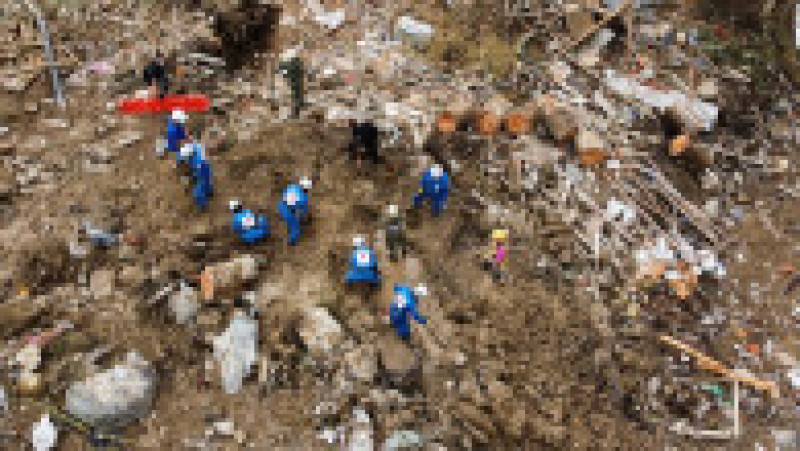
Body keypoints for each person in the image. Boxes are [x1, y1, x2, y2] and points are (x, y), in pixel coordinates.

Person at [277, 178, 311, 245]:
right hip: (287, 212)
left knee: (290, 221)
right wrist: (305, 218)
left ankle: (288, 228)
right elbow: (304, 210)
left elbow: (284, 192)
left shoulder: (292, 186)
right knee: (295, 228)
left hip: (280, 205)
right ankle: (291, 241)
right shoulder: (303, 197)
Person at [278, 49, 305, 118]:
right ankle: (297, 110)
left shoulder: (293, 63)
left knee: (295, 96)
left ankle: (296, 111)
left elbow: (285, 70)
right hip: (296, 82)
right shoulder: (297, 62)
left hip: (294, 82)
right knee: (297, 96)